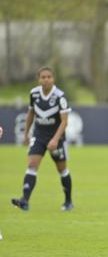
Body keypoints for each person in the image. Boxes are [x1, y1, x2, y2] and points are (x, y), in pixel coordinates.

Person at [11, 66, 74, 212]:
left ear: (53, 79)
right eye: (43, 77)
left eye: (49, 77)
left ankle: (68, 201)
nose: (46, 80)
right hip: (39, 136)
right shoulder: (34, 94)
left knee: (62, 169)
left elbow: (64, 121)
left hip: (56, 138)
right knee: (32, 164)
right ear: (39, 79)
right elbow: (31, 113)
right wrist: (26, 133)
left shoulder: (60, 96)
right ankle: (24, 200)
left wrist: (55, 139)